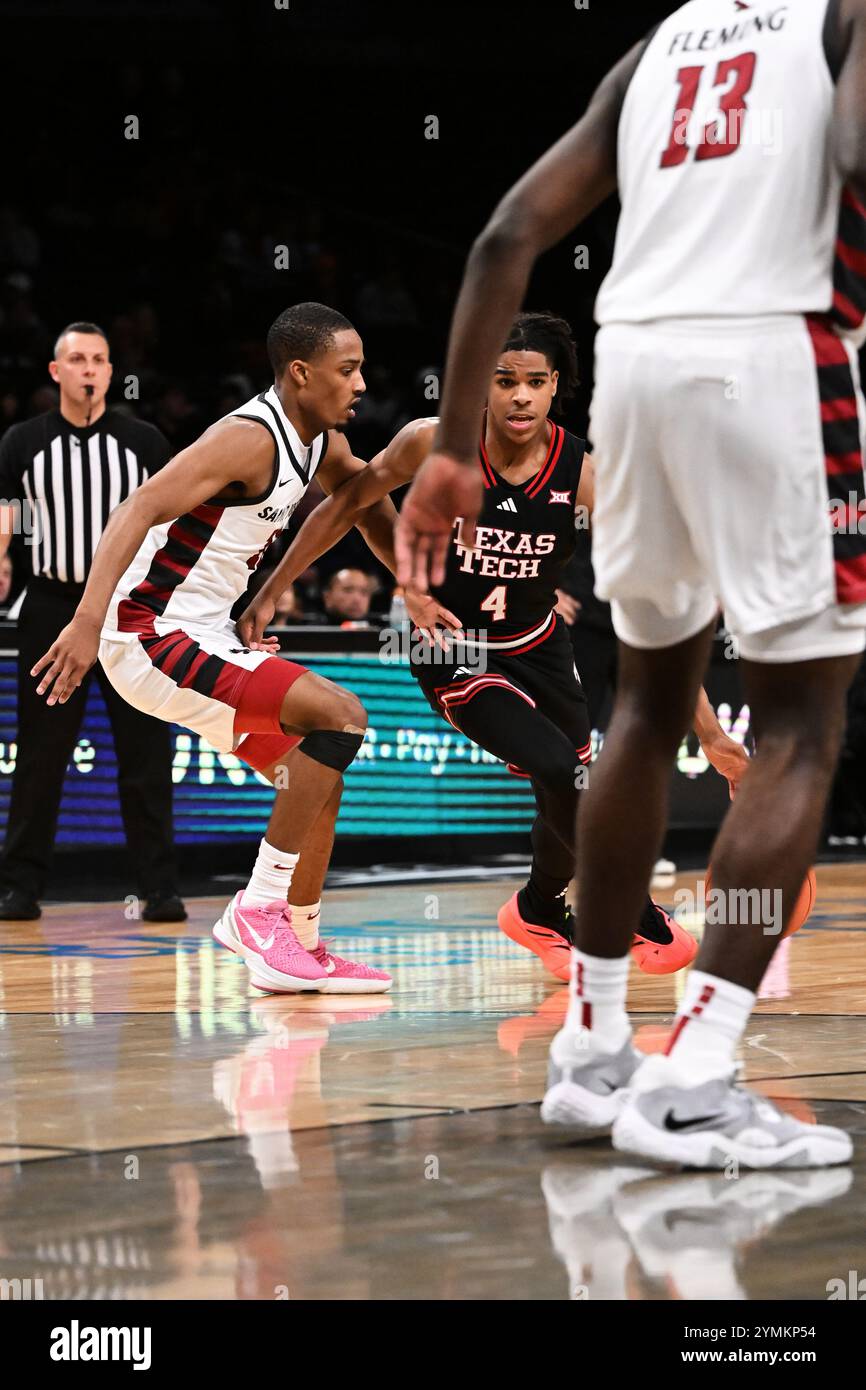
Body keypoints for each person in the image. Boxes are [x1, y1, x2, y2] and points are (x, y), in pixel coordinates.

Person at [393, 1, 866, 1167]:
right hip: (776, 355)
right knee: (800, 730)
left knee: (643, 711)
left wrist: (451, 445)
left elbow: (505, 235)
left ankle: (594, 1049)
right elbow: (853, 155)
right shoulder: (839, 17)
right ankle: (697, 1071)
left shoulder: (662, 42)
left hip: (636, 368)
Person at [239, 311, 748, 979]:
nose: (519, 395)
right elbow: (350, 500)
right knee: (562, 772)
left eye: (535, 382)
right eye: (504, 380)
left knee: (571, 781)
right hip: (450, 643)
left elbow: (657, 608)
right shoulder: (434, 443)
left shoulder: (582, 473)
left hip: (539, 644)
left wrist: (709, 732)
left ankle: (539, 908)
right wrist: (276, 585)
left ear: (555, 387)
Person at [30, 302, 446, 993]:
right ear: (302, 373)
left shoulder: (319, 439)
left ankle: (301, 946)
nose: (363, 383)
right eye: (348, 370)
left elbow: (364, 498)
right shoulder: (250, 438)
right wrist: (84, 618)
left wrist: (409, 579)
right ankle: (257, 911)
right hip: (148, 633)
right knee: (341, 714)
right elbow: (136, 508)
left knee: (320, 778)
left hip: (203, 631)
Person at [0, 321, 185, 922]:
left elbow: (170, 526)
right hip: (52, 605)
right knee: (40, 755)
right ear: (56, 372)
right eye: (77, 359)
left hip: (128, 607)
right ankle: (21, 887)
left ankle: (160, 887)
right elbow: (10, 518)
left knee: (146, 752)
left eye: (99, 360)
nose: (88, 369)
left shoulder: (146, 442)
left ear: (110, 372)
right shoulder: (22, 442)